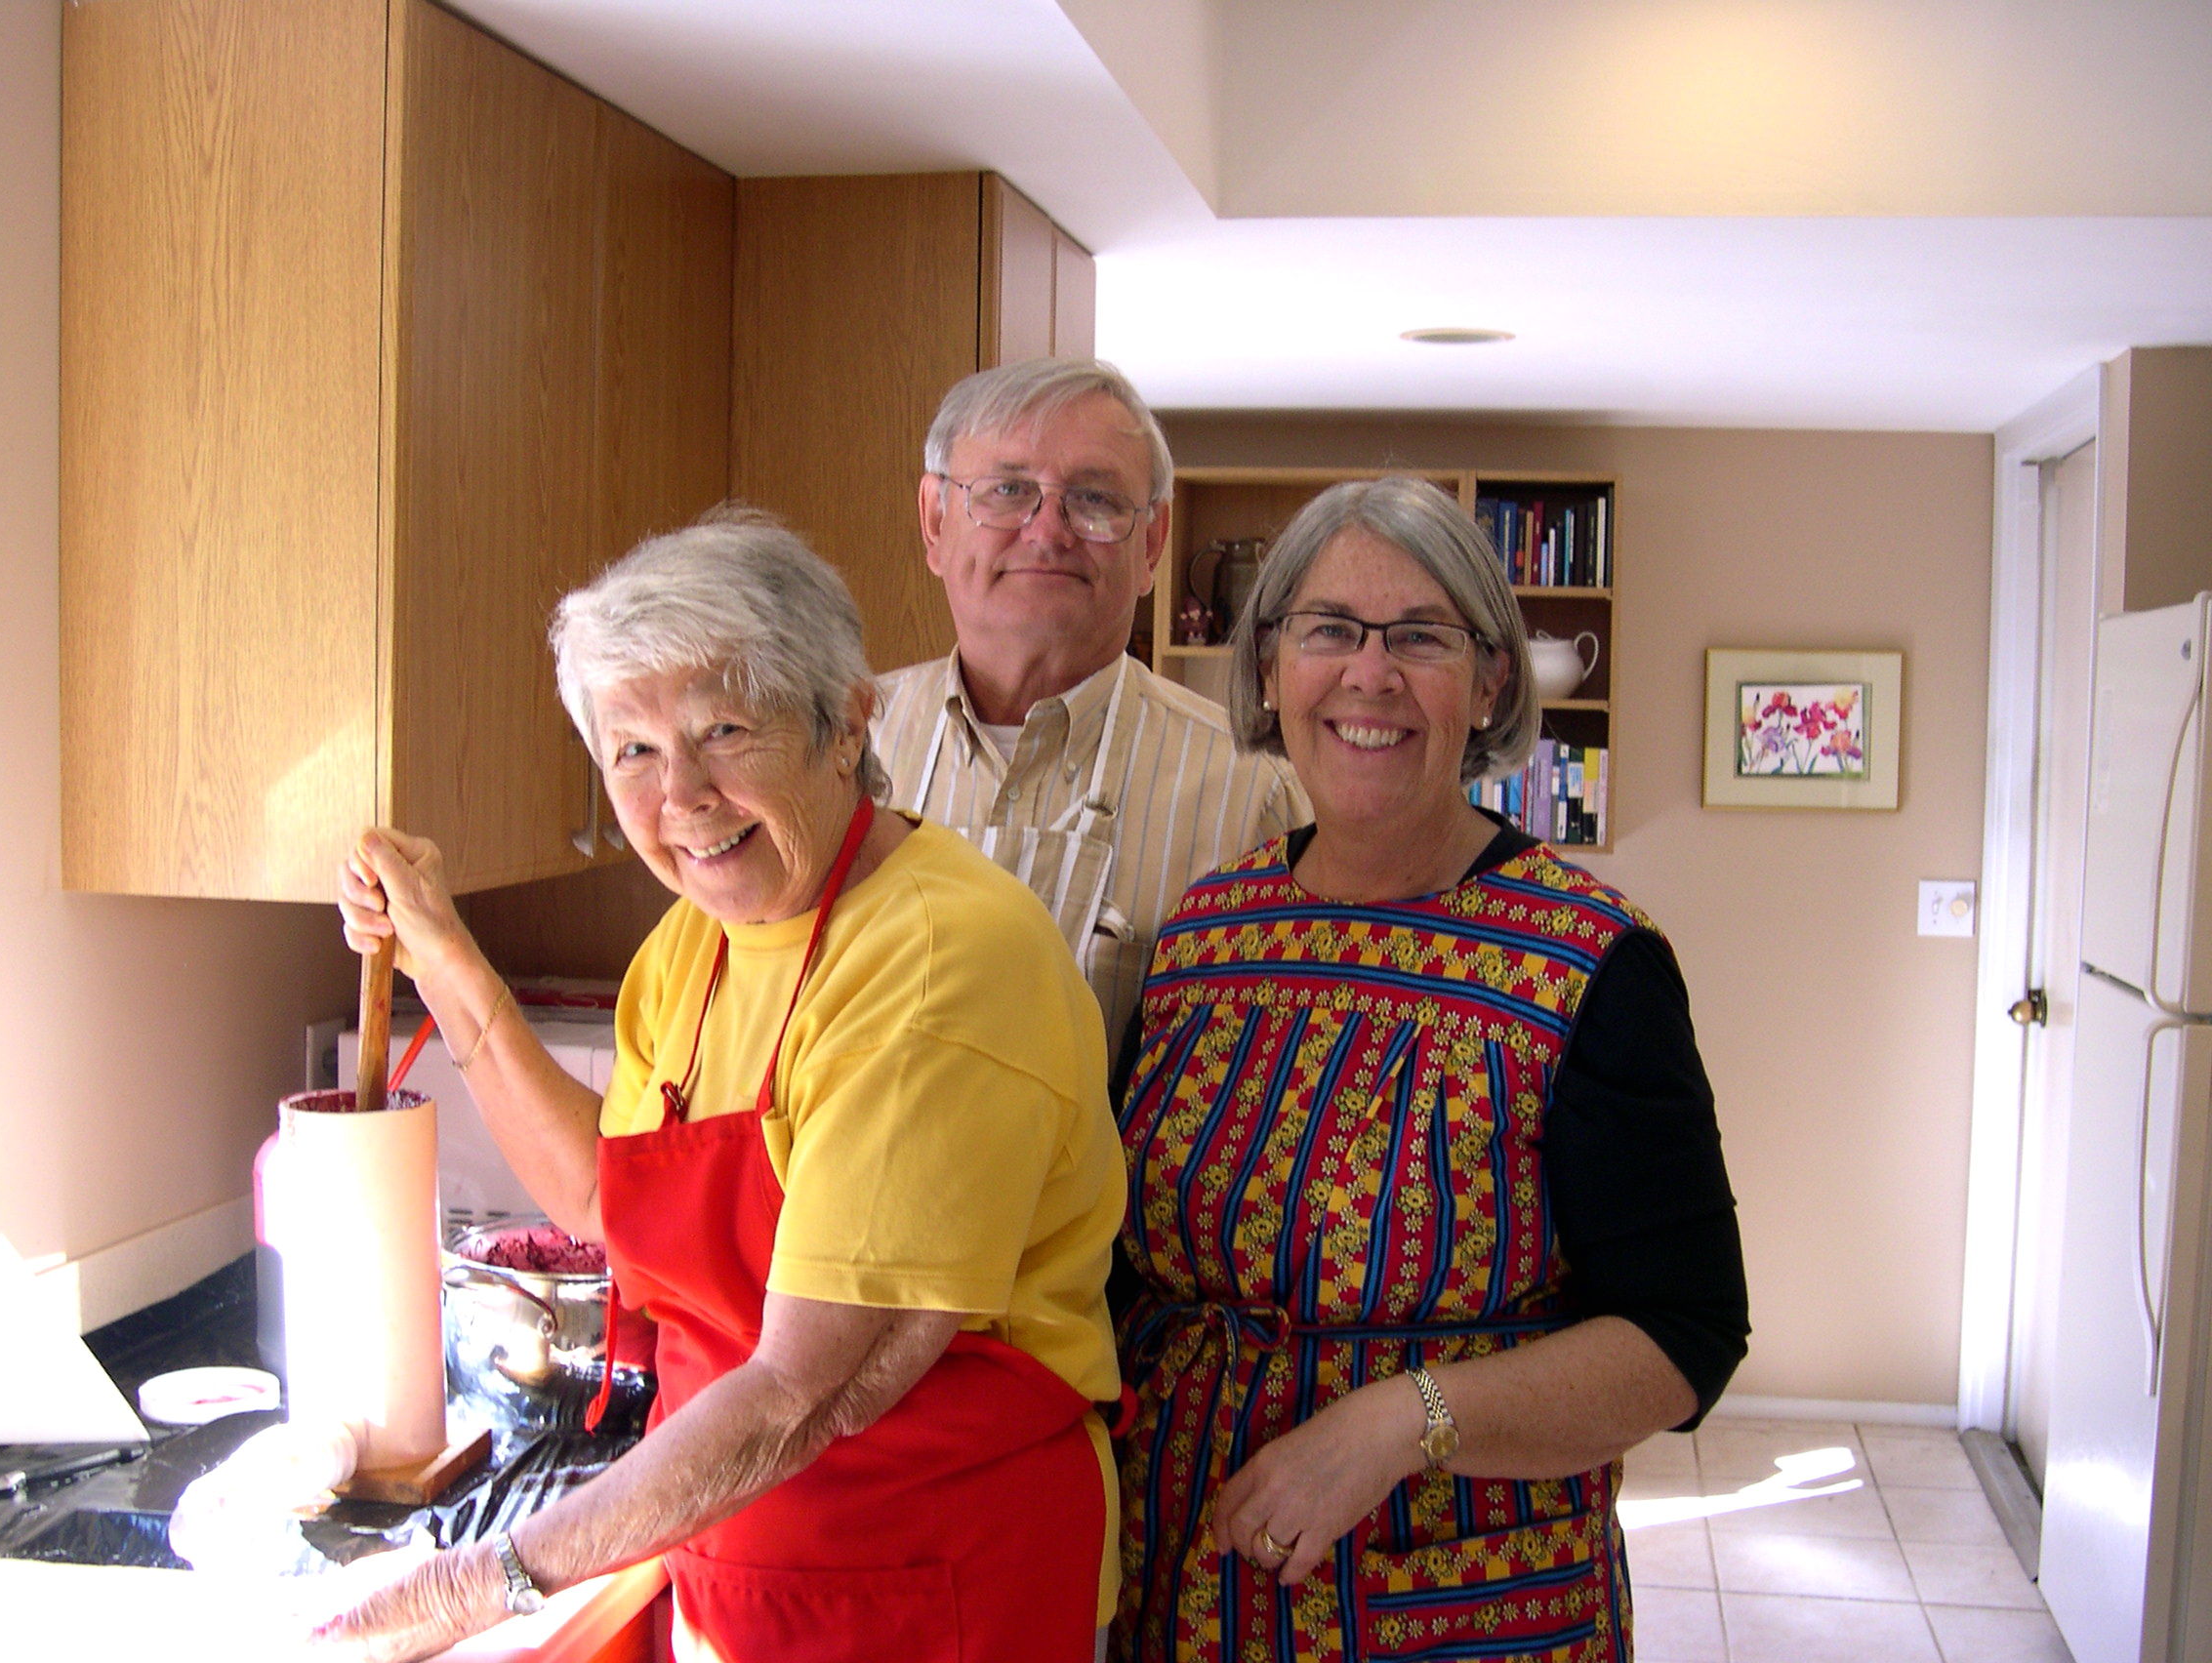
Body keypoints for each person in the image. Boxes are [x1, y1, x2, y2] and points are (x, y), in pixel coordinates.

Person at [317, 509, 1126, 1662]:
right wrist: (441, 955)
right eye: (633, 752)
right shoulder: (693, 945)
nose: (681, 795)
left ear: (846, 724)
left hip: (938, 1587)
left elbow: (805, 1389)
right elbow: (599, 1200)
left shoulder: (936, 962)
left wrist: (486, 1579)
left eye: (725, 730)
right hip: (734, 1560)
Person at [1112, 477, 1748, 1662]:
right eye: (1328, 629)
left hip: (1454, 1601)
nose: (1369, 673)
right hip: (1184, 1576)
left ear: (1491, 681)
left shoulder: (1590, 966)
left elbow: (1683, 1337)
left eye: (1420, 636)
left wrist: (1401, 1421)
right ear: (1270, 666)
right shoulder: (1204, 936)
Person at [871, 358, 1306, 1069]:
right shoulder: (836, 745)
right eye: (1008, 490)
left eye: (1094, 498)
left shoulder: (1253, 790)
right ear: (935, 519)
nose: (1048, 531)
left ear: (1152, 543)